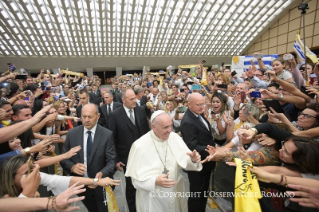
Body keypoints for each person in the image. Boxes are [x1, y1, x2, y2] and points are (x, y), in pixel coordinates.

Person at [125, 111, 202, 212]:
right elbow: (135, 181)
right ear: (153, 127)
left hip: (175, 193)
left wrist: (193, 160)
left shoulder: (174, 137)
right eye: (165, 127)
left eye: (171, 126)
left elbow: (185, 161)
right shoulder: (139, 145)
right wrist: (154, 181)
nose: (169, 130)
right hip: (153, 199)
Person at [61, 103, 116, 212]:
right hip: (82, 186)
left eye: (90, 117)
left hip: (101, 186)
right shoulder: (72, 134)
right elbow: (63, 158)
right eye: (83, 116)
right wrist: (72, 167)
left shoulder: (106, 134)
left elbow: (111, 161)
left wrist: (102, 173)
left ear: (98, 116)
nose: (86, 120)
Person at [109, 88, 150, 212]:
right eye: (131, 99)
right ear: (123, 100)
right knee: (131, 186)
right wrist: (116, 159)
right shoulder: (115, 115)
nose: (135, 100)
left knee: (145, 182)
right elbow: (112, 139)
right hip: (127, 157)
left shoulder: (141, 110)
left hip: (144, 156)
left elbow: (147, 132)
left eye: (134, 98)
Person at [180, 93, 216, 212]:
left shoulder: (197, 115)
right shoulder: (187, 121)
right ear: (189, 104)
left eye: (203, 104)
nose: (202, 107)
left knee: (203, 194)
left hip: (205, 164)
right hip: (198, 165)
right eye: (198, 104)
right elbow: (192, 146)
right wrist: (211, 148)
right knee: (196, 196)